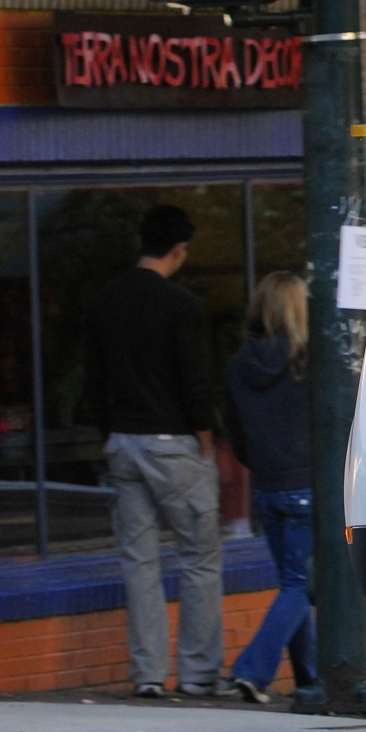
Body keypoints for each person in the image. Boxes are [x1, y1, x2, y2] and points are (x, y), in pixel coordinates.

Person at [84, 203, 226, 699]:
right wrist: (205, 447)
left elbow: (93, 384)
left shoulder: (104, 301)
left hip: (123, 442)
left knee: (139, 562)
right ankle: (197, 672)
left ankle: (147, 674)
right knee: (199, 557)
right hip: (172, 445)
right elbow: (195, 384)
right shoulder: (180, 305)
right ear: (178, 249)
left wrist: (110, 432)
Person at [224, 271, 319, 703]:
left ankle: (310, 679)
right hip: (305, 484)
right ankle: (253, 670)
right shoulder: (310, 363)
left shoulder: (238, 366)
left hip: (266, 488)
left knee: (291, 584)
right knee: (301, 586)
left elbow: (237, 435)